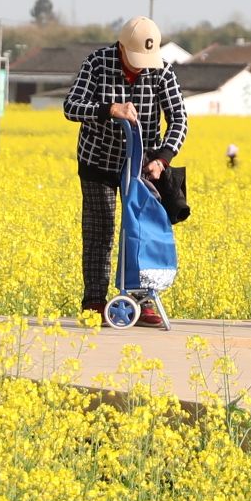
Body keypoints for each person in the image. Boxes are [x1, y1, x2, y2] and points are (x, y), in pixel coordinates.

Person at [61, 17, 185, 325]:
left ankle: (142, 300)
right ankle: (94, 301)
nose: (141, 67)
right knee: (99, 231)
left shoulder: (162, 70)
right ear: (121, 48)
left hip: (142, 164)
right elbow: (71, 106)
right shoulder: (97, 63)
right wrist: (109, 109)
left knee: (143, 233)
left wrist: (162, 158)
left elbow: (180, 119)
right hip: (98, 160)